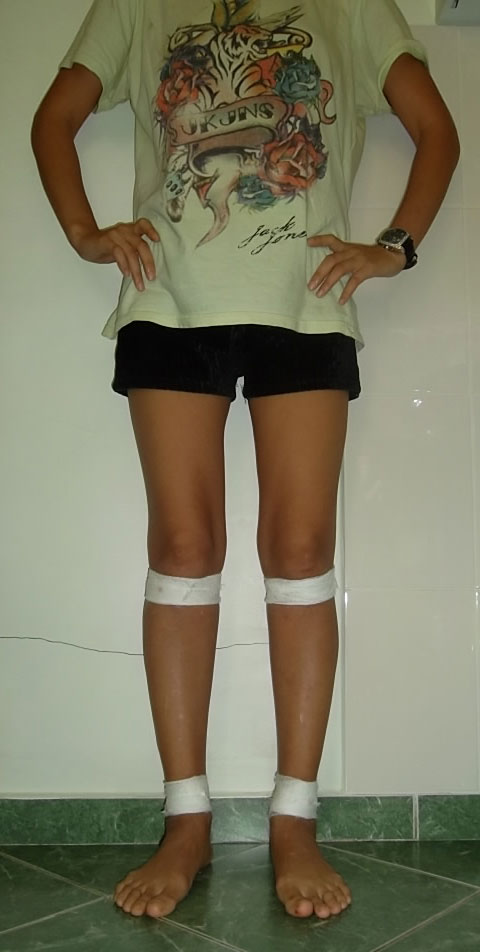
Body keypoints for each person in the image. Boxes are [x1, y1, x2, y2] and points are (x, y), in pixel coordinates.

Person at [31, 0, 459, 923]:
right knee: (183, 550)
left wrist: (394, 249)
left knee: (301, 552)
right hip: (167, 303)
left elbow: (437, 131)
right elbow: (54, 119)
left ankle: (295, 818)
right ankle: (185, 816)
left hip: (307, 303)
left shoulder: (352, 7)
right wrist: (86, 232)